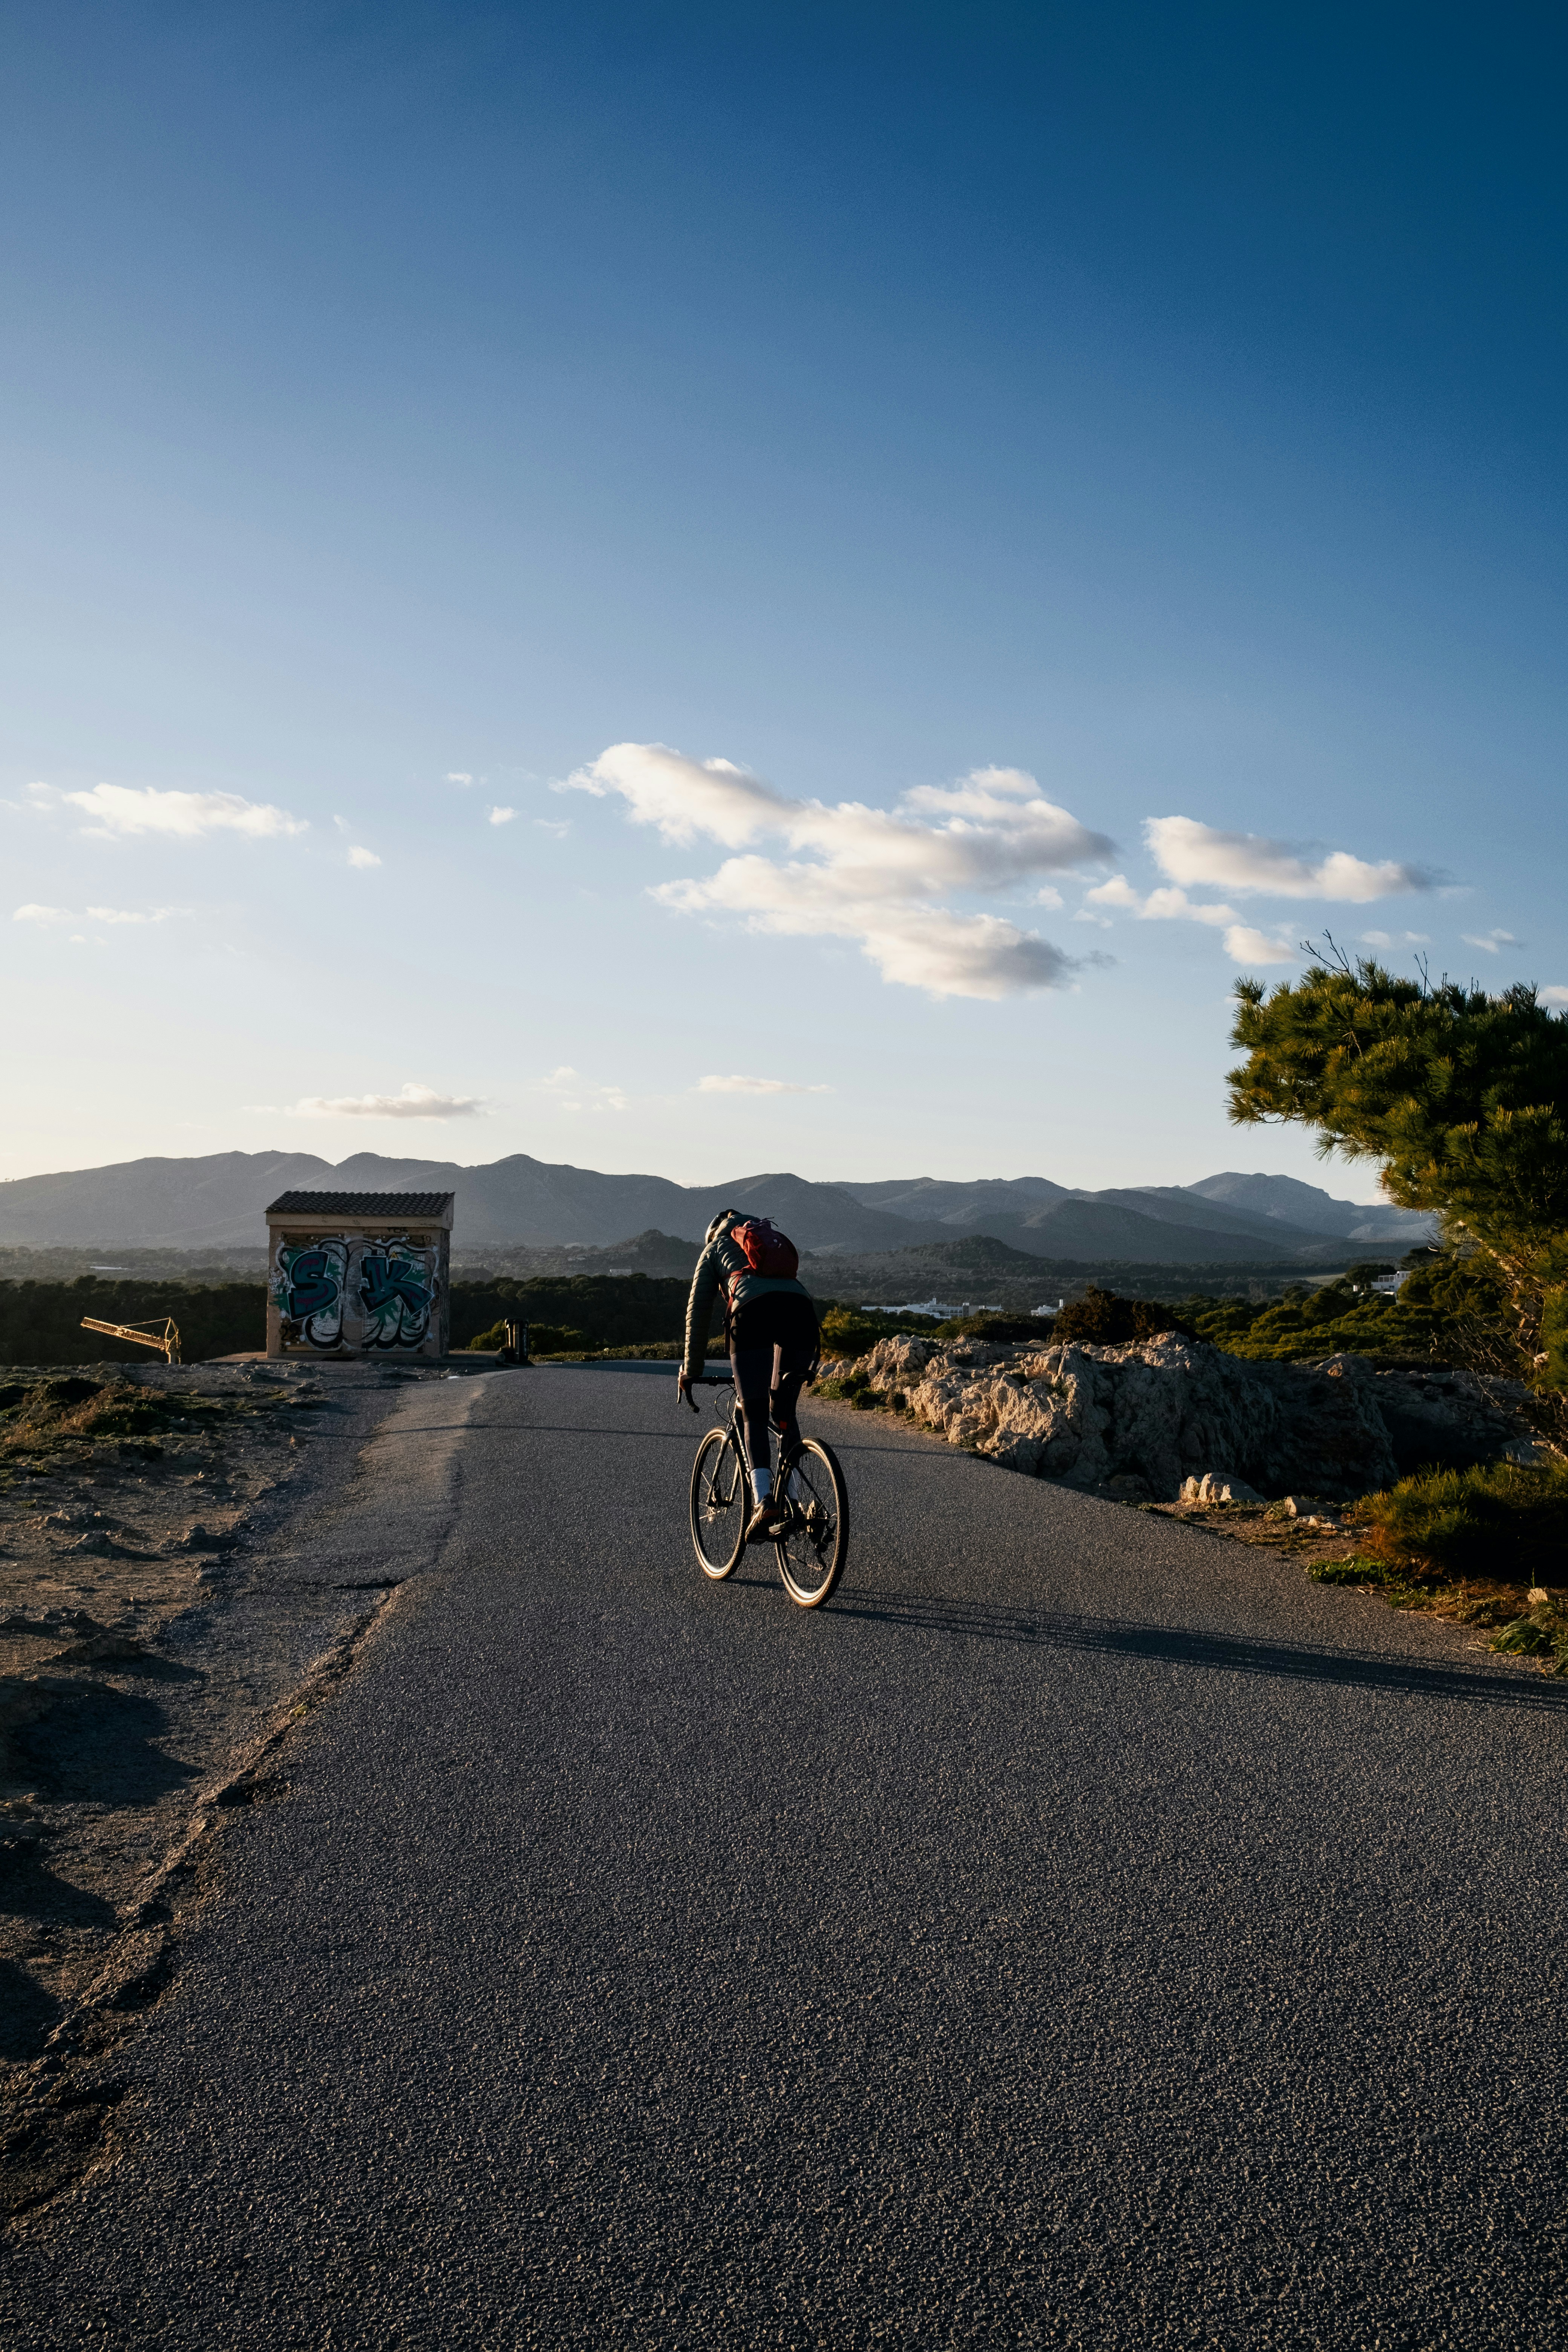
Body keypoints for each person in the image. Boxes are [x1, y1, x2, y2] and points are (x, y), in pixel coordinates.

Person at [678, 1209, 820, 1540]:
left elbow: (698, 1311)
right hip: (801, 1312)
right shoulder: (766, 1240)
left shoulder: (714, 1249)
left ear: (713, 1232)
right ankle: (796, 1503)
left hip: (752, 1312)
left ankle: (765, 1502)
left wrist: (691, 1371)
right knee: (783, 1412)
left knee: (753, 1410)